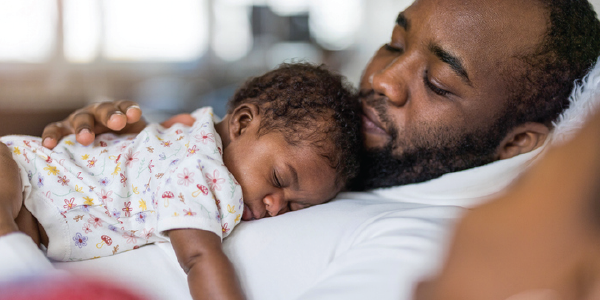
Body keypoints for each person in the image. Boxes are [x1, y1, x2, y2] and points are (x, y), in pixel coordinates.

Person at [6, 0, 600, 299]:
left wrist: (11, 247)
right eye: (394, 45)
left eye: (439, 84)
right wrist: (95, 154)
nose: (384, 81)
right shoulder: (302, 156)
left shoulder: (428, 246)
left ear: (516, 142)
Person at [0, 63, 361, 300]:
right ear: (241, 123)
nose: (276, 205)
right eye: (280, 179)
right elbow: (200, 256)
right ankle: (17, 268)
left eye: (298, 205)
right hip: (21, 168)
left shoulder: (195, 134)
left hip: (32, 218)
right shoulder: (201, 167)